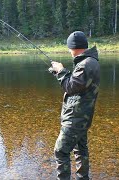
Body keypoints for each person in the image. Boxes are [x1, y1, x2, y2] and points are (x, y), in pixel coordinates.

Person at [49, 31, 100, 179]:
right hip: (82, 117)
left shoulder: (86, 64)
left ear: (74, 47)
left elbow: (70, 86)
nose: (69, 51)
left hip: (75, 118)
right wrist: (60, 73)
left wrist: (61, 71)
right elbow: (78, 84)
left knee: (61, 151)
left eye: (69, 47)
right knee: (80, 149)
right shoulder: (90, 62)